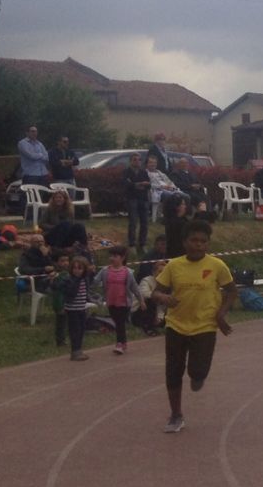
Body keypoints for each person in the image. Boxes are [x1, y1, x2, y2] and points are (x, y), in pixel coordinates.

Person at [151, 219, 236, 435]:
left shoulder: (217, 266)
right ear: (184, 242)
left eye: (203, 241)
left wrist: (221, 314)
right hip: (176, 325)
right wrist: (164, 297)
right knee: (173, 371)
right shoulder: (174, 265)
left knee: (197, 372)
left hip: (205, 326)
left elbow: (231, 290)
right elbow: (156, 292)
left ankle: (198, 376)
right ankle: (176, 414)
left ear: (208, 243)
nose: (198, 245)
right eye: (194, 240)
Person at [94, 245, 145, 355]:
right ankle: (124, 342)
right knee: (117, 321)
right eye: (111, 256)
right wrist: (89, 272)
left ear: (122, 258)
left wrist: (141, 300)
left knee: (120, 322)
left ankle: (119, 344)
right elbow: (95, 281)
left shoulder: (128, 273)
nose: (112, 258)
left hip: (123, 303)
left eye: (115, 256)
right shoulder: (105, 271)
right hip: (111, 301)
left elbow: (135, 288)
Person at [57, 252, 96, 362]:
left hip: (81, 308)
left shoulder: (85, 279)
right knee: (75, 330)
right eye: (74, 268)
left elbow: (91, 282)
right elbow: (61, 288)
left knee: (82, 329)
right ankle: (75, 351)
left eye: (79, 268)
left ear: (84, 270)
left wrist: (92, 272)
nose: (77, 271)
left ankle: (79, 349)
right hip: (72, 309)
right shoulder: (69, 279)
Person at [124, 153, 152, 252]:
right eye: (135, 159)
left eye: (139, 160)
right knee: (133, 222)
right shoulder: (126, 172)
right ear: (130, 161)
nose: (137, 161)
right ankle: (132, 244)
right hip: (132, 199)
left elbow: (149, 184)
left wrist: (141, 185)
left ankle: (142, 243)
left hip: (143, 199)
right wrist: (138, 184)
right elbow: (126, 184)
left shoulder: (143, 172)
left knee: (145, 222)